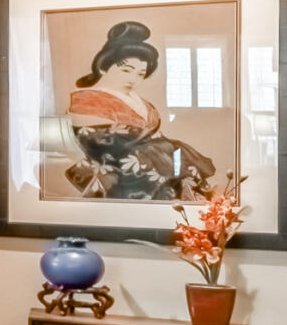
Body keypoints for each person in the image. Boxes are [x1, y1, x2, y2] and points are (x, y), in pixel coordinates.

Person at [61, 21, 217, 200]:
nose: (133, 79)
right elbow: (104, 145)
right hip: (122, 175)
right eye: (127, 70)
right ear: (103, 67)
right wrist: (166, 148)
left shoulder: (140, 101)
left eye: (141, 74)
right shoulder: (85, 100)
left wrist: (164, 150)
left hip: (154, 169)